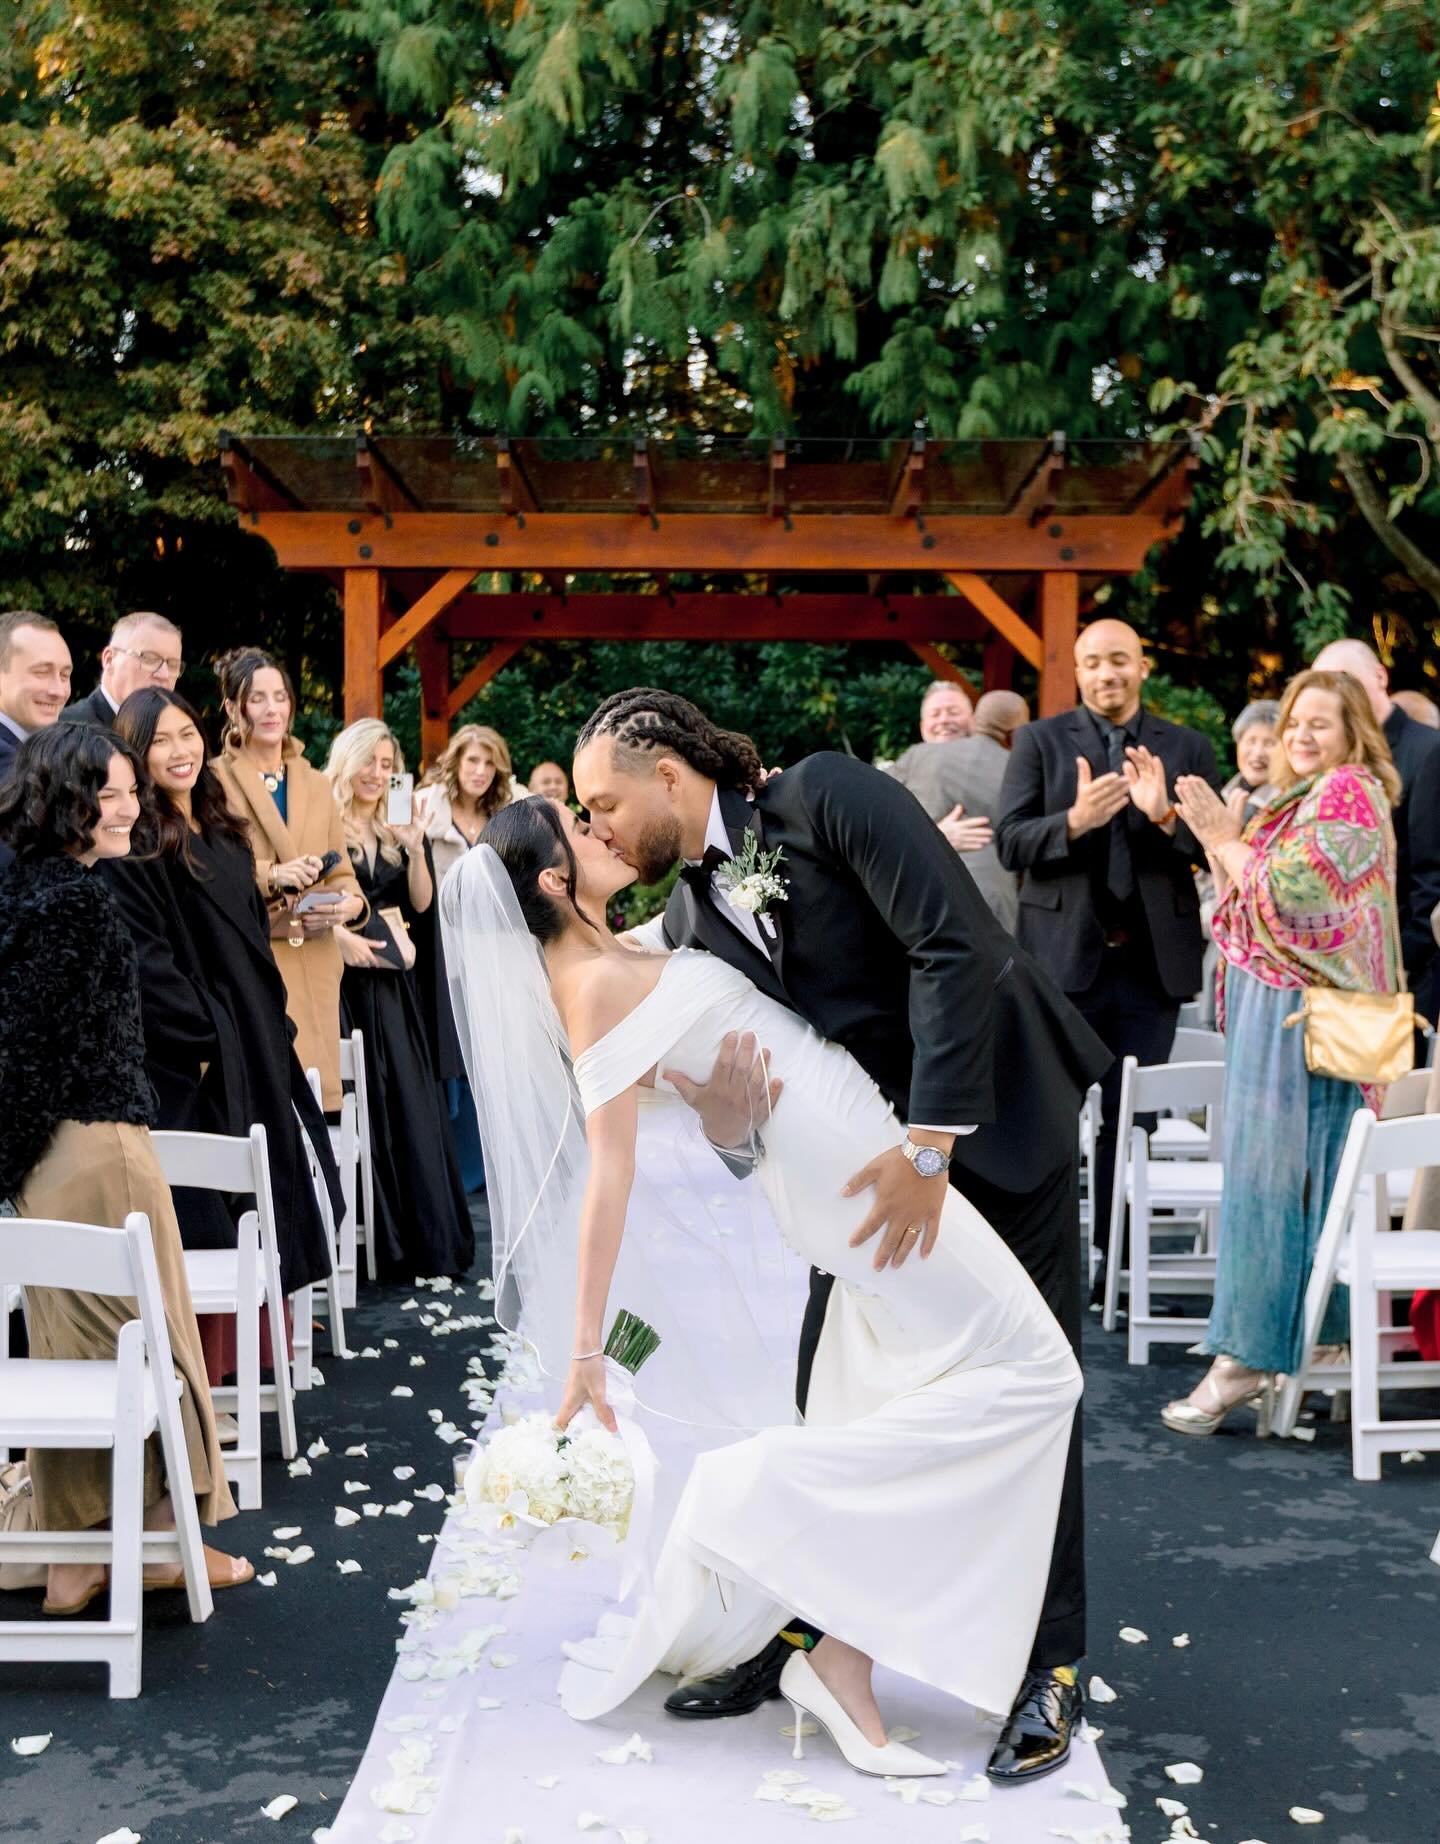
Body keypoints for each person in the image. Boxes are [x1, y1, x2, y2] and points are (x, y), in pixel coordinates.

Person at [446, 797, 1082, 1775]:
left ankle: (841, 1654)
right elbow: (606, 1176)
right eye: (579, 823)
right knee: (1041, 1370)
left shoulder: (638, 944)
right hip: (864, 1182)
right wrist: (586, 1347)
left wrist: (722, 1109)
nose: (599, 825)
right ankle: (747, 1495)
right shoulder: (588, 992)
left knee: (887, 1391)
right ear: (551, 881)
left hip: (838, 1157)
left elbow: (714, 1085)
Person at [0, 723, 251, 1613]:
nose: (129, 806)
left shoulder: (26, 887)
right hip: (96, 1148)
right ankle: (148, 1549)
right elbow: (22, 1053)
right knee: (148, 1348)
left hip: (53, 1155)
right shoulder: (75, 900)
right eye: (107, 793)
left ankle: (78, 1560)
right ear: (60, 799)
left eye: (127, 789)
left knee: (77, 1349)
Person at [1162, 669, 1402, 1434]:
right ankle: (1312, 1345)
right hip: (1300, 1011)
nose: (1299, 735)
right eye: (1293, 721)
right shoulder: (1313, 793)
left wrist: (1226, 839)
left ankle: (1242, 1360)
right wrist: (1217, 840)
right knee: (1305, 1183)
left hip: (1304, 1016)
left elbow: (1294, 894)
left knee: (1273, 1184)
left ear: (1355, 732)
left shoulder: (1347, 792)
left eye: (1319, 724)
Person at [994, 619, 1221, 1297]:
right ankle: (1050, 1265)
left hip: (1151, 968)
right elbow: (1009, 842)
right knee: (1053, 1118)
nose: (1106, 674)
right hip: (1063, 963)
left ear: (1143, 666)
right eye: (1093, 663)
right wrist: (1073, 823)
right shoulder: (1038, 741)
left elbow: (1216, 849)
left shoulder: (1188, 747)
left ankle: (1118, 1268)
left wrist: (1164, 819)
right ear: (1079, 670)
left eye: (1119, 661)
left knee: (1134, 1121)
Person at [105, 689, 340, 1306]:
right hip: (200, 1064)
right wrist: (217, 1040)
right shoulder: (139, 843)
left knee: (276, 1199)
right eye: (160, 740)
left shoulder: (224, 828)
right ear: (134, 752)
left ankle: (273, 1340)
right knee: (216, 1216)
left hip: (257, 1040)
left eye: (188, 733)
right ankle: (221, 1367)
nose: (180, 751)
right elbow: (146, 967)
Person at [326, 720, 474, 1279]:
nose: (378, 773)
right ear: (348, 762)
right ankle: (368, 1242)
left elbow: (421, 905)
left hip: (396, 984)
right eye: (370, 761)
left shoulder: (396, 828)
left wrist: (415, 850)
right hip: (345, 984)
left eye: (388, 765)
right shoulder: (325, 821)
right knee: (361, 1103)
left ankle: (418, 1240)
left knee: (409, 1102)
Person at [211, 648, 366, 1111]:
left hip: (316, 957)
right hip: (255, 957)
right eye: (257, 698)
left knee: (318, 1108)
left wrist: (348, 906)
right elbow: (207, 872)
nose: (271, 709)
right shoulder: (212, 780)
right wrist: (271, 874)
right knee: (267, 1107)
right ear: (233, 708)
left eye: (280, 696)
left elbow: (344, 875)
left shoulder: (317, 783)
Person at [1312, 639, 1440, 1022]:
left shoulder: (1428, 750)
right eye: (1325, 683)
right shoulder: (1333, 755)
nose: (1338, 692)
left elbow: (1430, 875)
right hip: (1340, 969)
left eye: (1344, 678)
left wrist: (1397, 964)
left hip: (1404, 970)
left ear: (1380, 676)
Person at [886, 690, 1029, 930]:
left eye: (953, 712)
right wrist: (934, 836)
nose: (944, 720)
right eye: (935, 714)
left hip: (926, 898)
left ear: (974, 720)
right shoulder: (1015, 765)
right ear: (922, 727)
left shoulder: (914, 758)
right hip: (986, 899)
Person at [417, 723, 516, 890]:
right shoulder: (425, 804)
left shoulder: (506, 813)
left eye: (490, 763)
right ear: (457, 762)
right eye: (472, 760)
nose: (480, 771)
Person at [62, 611, 184, 727]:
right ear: (109, 659)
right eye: (149, 659)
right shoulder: (66, 730)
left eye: (173, 665)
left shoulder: (169, 733)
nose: (164, 675)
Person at [0, 610, 72, 778]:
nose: (58, 691)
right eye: (41, 673)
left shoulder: (46, 751)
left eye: (65, 675)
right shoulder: (9, 769)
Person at [1224, 699, 1281, 821]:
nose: (1258, 753)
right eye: (1251, 741)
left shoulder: (1287, 805)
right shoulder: (1223, 796)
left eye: (1269, 743)